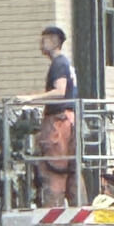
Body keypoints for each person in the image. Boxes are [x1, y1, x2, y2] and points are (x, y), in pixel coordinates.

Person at [14, 25, 79, 207]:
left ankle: (54, 209)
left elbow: (59, 91)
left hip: (58, 123)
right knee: (71, 169)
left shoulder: (59, 64)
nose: (40, 43)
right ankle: (78, 205)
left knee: (54, 168)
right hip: (68, 120)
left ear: (54, 41)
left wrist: (30, 99)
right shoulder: (65, 63)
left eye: (44, 39)